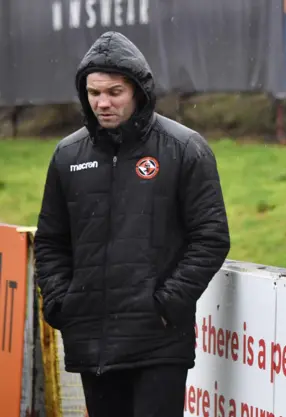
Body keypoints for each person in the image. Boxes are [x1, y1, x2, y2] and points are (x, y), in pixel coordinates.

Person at [34, 31, 231, 417]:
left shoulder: (185, 148)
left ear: (138, 91)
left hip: (158, 344)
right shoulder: (67, 155)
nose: (102, 103)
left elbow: (210, 238)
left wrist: (164, 305)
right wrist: (60, 303)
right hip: (92, 343)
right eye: (93, 94)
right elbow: (51, 241)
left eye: (114, 92)